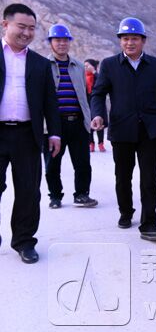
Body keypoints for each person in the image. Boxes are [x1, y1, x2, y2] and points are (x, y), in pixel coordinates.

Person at [91, 17, 156, 242]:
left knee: (149, 179)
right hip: (122, 130)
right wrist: (98, 114)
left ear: (143, 41)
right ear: (120, 41)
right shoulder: (109, 65)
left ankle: (149, 222)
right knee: (123, 177)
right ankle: (126, 212)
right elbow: (98, 93)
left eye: (134, 38)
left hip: (149, 131)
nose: (129, 43)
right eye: (125, 38)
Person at [0, 3, 61, 264]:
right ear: (5, 24)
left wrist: (55, 133)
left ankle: (24, 241)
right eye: (21, 27)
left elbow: (50, 102)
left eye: (32, 28)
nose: (27, 33)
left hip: (27, 135)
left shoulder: (40, 64)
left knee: (29, 191)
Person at [44, 24, 98, 209]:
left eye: (65, 40)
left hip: (77, 121)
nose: (62, 43)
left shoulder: (78, 66)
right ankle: (55, 196)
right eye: (57, 40)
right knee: (52, 163)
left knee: (82, 162)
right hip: (54, 124)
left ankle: (81, 194)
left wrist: (88, 118)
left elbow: (84, 94)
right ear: (51, 42)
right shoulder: (43, 66)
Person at [84, 59, 105, 152]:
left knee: (100, 122)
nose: (86, 67)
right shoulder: (83, 77)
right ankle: (91, 143)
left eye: (87, 65)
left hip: (97, 103)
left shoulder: (97, 76)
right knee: (89, 124)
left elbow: (103, 81)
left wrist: (94, 72)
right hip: (87, 103)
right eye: (84, 66)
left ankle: (101, 143)